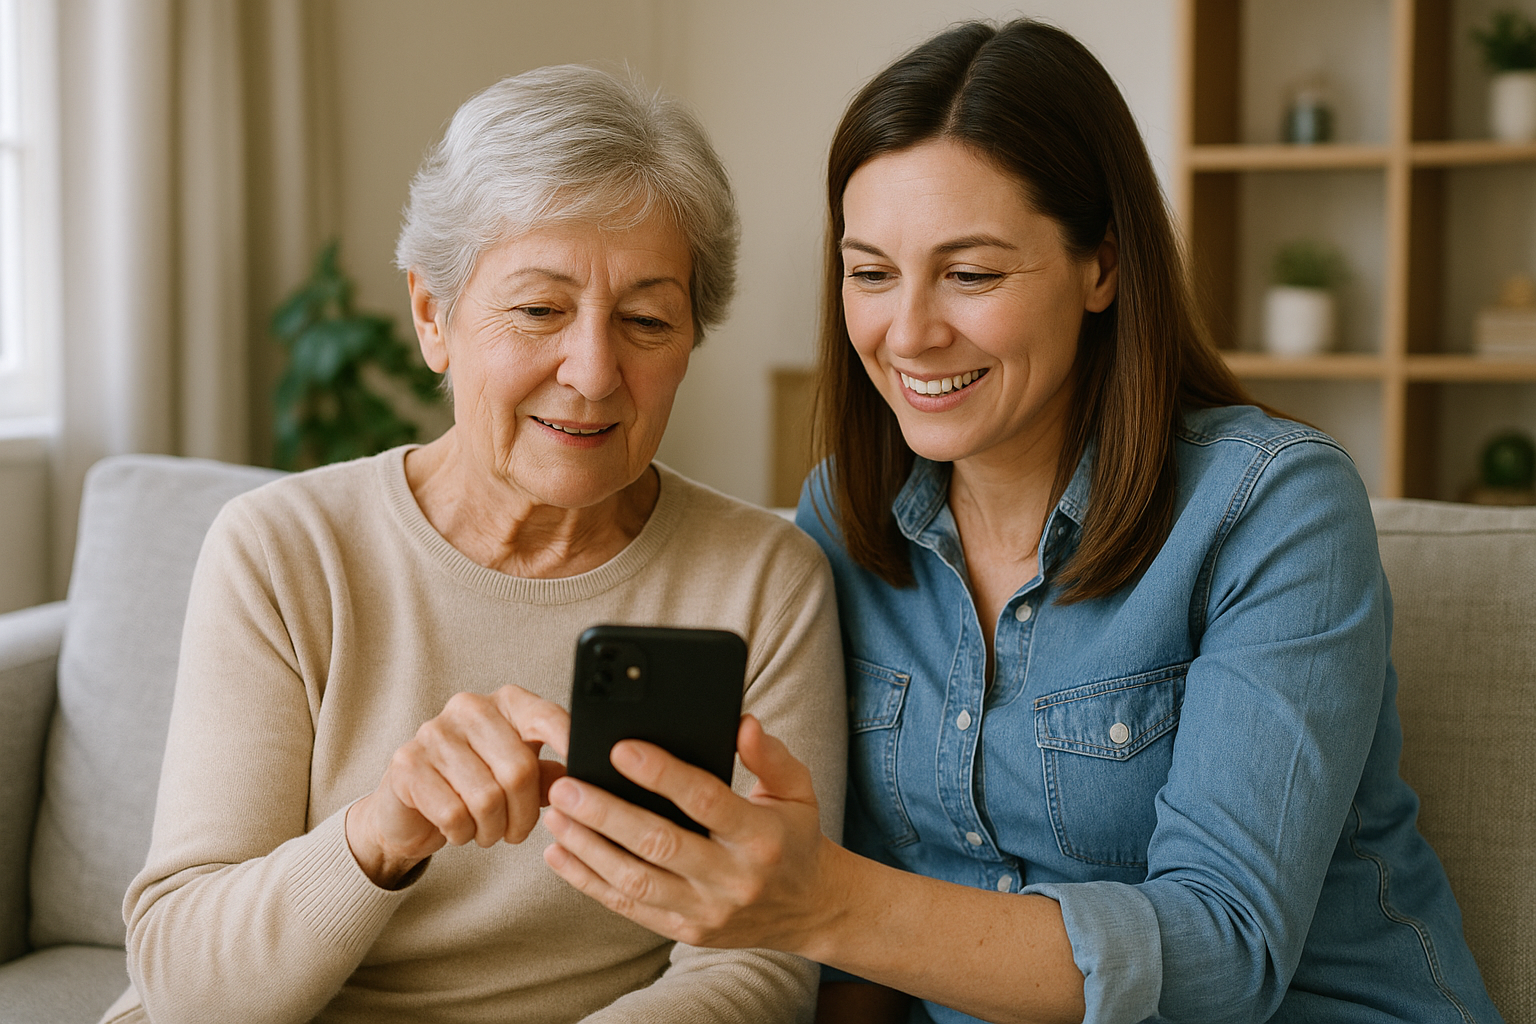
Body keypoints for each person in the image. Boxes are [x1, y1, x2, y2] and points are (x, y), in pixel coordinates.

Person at [538, 21, 1504, 1024]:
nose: (907, 332)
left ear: (1103, 266)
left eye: (972, 273)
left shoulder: (1272, 506)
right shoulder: (846, 514)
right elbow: (857, 959)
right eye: (871, 272)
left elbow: (1226, 954)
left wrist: (825, 901)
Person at [106, 65, 846, 1024]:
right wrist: (380, 831)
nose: (591, 372)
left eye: (647, 320)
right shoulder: (286, 550)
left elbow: (755, 965)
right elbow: (185, 989)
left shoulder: (763, 582)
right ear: (432, 315)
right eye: (538, 310)